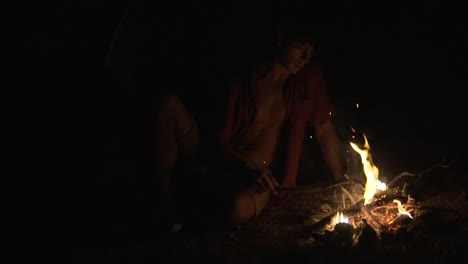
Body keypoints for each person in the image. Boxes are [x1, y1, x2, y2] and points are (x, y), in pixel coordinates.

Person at [155, 20, 348, 233]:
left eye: (310, 52)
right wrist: (236, 163)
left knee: (236, 207)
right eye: (300, 47)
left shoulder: (307, 81)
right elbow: (218, 137)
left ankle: (191, 205)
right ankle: (164, 197)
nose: (305, 58)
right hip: (220, 158)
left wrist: (340, 179)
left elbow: (324, 129)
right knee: (168, 105)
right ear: (280, 39)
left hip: (259, 180)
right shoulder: (246, 75)